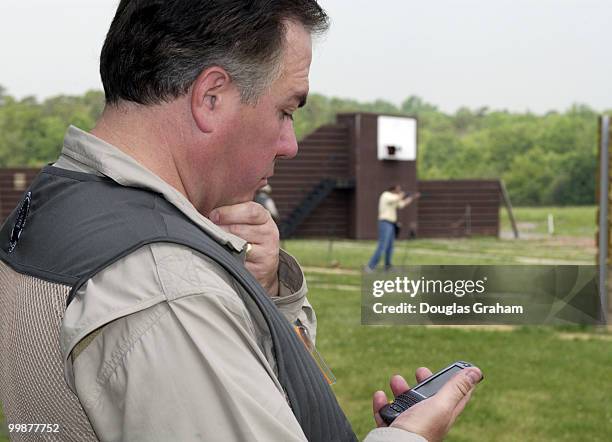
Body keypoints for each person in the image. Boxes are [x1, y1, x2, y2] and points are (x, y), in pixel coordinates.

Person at [0, 2, 481, 441]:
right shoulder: (169, 291)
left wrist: (263, 293)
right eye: (286, 110)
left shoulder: (55, 205)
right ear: (211, 97)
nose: (290, 144)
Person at [366, 185, 421, 272]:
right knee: (382, 246)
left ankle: (388, 266)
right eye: (398, 189)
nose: (399, 191)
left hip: (391, 224)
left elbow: (401, 205)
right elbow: (396, 198)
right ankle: (370, 266)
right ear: (392, 189)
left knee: (390, 246)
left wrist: (412, 198)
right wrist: (402, 195)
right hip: (384, 222)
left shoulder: (395, 197)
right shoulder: (386, 195)